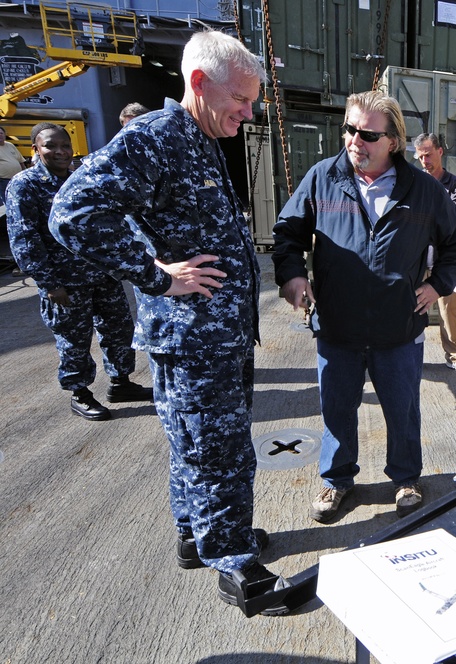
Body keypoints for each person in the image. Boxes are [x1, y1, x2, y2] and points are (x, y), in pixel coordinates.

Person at [48, 31, 287, 616]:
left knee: (191, 442)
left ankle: (195, 533)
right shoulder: (156, 138)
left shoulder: (199, 139)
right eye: (241, 99)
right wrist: (156, 274)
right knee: (219, 449)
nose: (248, 113)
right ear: (200, 83)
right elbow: (72, 213)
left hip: (212, 336)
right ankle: (233, 560)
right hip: (193, 337)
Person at [272, 91, 456, 522]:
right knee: (337, 410)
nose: (354, 140)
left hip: (396, 328)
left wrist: (437, 285)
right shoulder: (323, 178)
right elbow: (288, 232)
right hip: (338, 327)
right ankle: (336, 481)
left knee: (402, 411)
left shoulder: (423, 191)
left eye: (367, 134)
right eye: (349, 129)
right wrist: (292, 274)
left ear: (393, 141)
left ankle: (405, 478)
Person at [5, 122, 153, 421]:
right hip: (65, 283)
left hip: (102, 275)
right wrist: (48, 283)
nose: (60, 151)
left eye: (64, 145)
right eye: (50, 146)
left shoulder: (80, 180)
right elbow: (25, 239)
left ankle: (120, 383)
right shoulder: (25, 185)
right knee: (74, 339)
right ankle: (80, 393)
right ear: (35, 148)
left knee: (119, 331)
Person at [413, 132, 456, 376]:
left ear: (440, 152)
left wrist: (422, 220)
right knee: (412, 309)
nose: (424, 161)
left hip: (444, 263)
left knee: (448, 311)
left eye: (428, 155)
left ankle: (455, 356)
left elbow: (451, 221)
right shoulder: (416, 182)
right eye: (420, 157)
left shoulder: (455, 184)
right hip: (417, 259)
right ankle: (411, 355)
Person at [0, 125, 26, 193]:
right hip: (2, 181)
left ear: (5, 134)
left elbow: (21, 161)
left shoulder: (10, 145)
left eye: (1, 133)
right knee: (4, 202)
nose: (0, 135)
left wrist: (25, 174)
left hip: (16, 179)